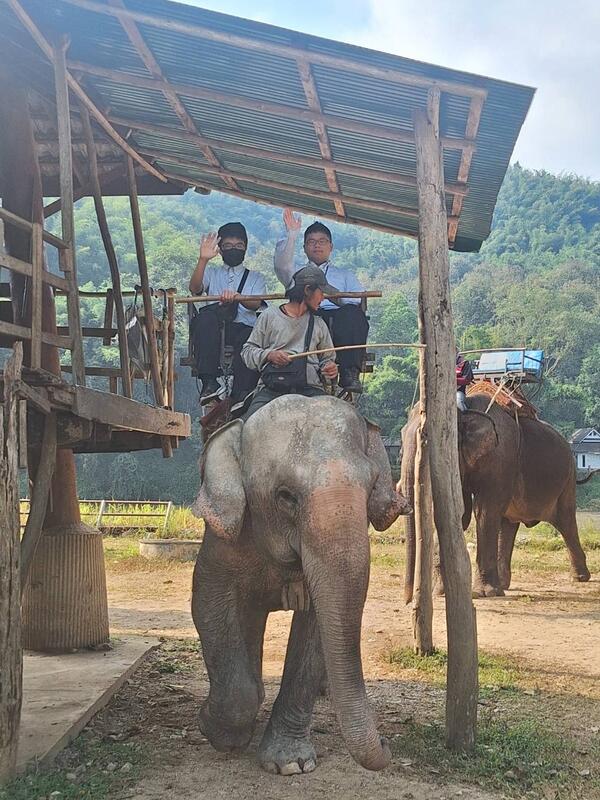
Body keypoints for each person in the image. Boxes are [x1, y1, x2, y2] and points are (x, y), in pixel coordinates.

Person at [274, 208, 369, 393]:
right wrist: (292, 234)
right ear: (304, 247)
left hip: (337, 319)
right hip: (304, 315)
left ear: (331, 246)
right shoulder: (296, 272)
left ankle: (349, 372)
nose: (317, 245)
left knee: (353, 313)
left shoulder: (345, 275)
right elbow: (281, 266)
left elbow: (357, 300)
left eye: (322, 241)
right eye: (311, 242)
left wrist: (329, 293)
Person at [241, 266, 338, 419]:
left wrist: (330, 368)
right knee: (249, 424)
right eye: (321, 292)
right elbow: (247, 351)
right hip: (272, 390)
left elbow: (328, 359)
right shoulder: (269, 316)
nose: (323, 298)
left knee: (335, 422)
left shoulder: (319, 323)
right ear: (307, 290)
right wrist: (269, 355)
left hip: (311, 390)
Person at [189, 222, 266, 400]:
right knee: (204, 319)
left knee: (251, 338)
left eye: (239, 246)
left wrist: (239, 298)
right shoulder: (212, 273)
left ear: (245, 248)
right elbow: (195, 288)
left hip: (243, 327)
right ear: (221, 250)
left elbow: (256, 304)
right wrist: (203, 260)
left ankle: (242, 392)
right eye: (228, 246)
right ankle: (209, 383)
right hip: (214, 329)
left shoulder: (255, 277)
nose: (234, 249)